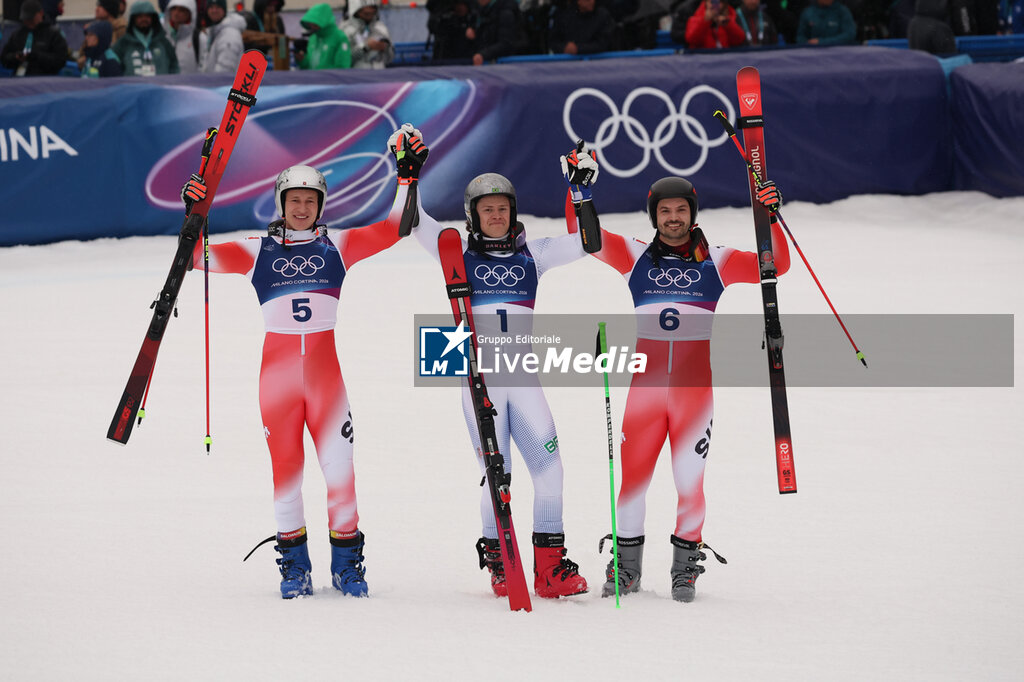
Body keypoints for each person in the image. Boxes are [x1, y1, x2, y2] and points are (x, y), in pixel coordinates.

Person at [178, 150, 415, 599]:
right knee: (286, 476)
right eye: (294, 200)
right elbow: (193, 257)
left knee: (340, 474)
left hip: (327, 384)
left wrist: (406, 178)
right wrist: (192, 211)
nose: (301, 208)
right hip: (278, 385)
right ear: (281, 203)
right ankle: (294, 569)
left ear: (321, 206)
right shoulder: (257, 248)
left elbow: (394, 229)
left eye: (310, 200)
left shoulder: (338, 245)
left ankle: (348, 568)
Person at [567, 171, 789, 603]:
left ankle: (684, 571)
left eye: (681, 210)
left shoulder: (718, 261)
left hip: (693, 396)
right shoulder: (635, 256)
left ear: (693, 214)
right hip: (644, 395)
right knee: (632, 482)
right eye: (665, 211)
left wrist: (771, 215)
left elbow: (775, 264)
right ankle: (627, 570)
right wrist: (579, 189)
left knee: (690, 483)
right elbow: (583, 234)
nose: (673, 218)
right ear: (654, 216)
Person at [395, 123, 590, 600]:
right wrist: (407, 178)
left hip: (524, 378)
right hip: (477, 379)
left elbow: (588, 242)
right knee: (494, 473)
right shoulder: (454, 251)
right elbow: (411, 224)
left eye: (503, 209)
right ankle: (501, 565)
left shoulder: (535, 254)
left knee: (552, 471)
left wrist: (580, 192)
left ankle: (549, 568)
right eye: (488, 210)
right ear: (472, 215)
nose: (497, 216)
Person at [0, 0, 68, 76]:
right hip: (19, 80)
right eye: (26, 20)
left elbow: (60, 60)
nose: (28, 23)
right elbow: (4, 58)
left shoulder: (53, 34)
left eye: (31, 19)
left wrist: (36, 56)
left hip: (44, 80)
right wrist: (15, 57)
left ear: (41, 13)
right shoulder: (17, 35)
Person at [111, 0, 179, 75]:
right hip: (133, 86)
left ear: (153, 18)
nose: (144, 19)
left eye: (147, 16)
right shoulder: (123, 43)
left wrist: (172, 82)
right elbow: (113, 67)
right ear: (133, 19)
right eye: (140, 16)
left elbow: (174, 65)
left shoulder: (163, 41)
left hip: (160, 86)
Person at [468, 0, 526, 65]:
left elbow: (507, 43)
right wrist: (472, 29)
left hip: (509, 65)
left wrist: (483, 55)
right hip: (490, 62)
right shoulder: (483, 10)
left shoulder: (506, 11)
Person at [548, 0, 617, 55]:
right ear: (579, 1)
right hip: (569, 63)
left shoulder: (603, 16)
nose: (592, 1)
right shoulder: (565, 16)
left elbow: (604, 43)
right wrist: (564, 48)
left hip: (598, 62)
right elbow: (554, 41)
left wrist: (578, 48)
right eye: (587, 0)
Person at [295, 2, 351, 69]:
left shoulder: (340, 37)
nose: (312, 27)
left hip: (330, 79)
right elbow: (308, 65)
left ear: (324, 21)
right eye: (310, 24)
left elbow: (342, 67)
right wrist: (302, 60)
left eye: (315, 24)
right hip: (311, 78)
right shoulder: (313, 37)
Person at [339, 0, 394, 68]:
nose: (370, 15)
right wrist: (365, 47)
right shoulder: (345, 30)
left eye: (373, 12)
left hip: (380, 75)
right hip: (355, 75)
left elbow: (389, 59)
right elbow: (344, 59)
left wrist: (385, 48)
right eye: (366, 13)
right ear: (356, 11)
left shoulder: (381, 28)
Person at [197, 0, 244, 73]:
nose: (214, 10)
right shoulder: (215, 31)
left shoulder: (230, 34)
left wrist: (212, 83)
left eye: (218, 7)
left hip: (223, 83)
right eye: (211, 7)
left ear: (224, 10)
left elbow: (225, 69)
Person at [163, 0, 197, 73]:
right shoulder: (163, 36)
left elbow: (204, 67)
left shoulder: (198, 38)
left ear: (190, 13)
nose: (176, 13)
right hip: (166, 83)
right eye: (174, 8)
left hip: (191, 83)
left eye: (182, 10)